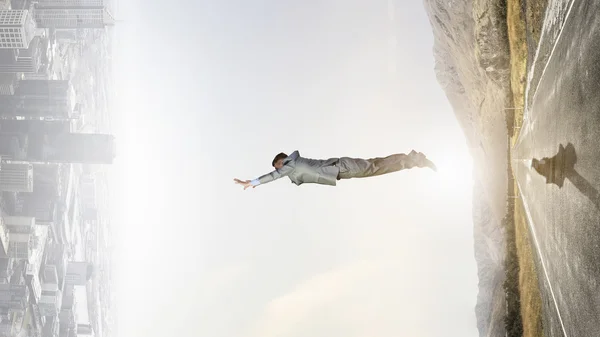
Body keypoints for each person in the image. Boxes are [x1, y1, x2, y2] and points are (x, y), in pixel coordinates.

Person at [234, 150, 437, 190]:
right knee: (376, 165)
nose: (279, 170)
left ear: (282, 161)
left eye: (278, 165)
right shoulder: (293, 171)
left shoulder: (290, 164)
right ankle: (414, 159)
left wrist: (253, 182)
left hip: (341, 167)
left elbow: (274, 175)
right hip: (342, 171)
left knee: (375, 167)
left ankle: (417, 160)